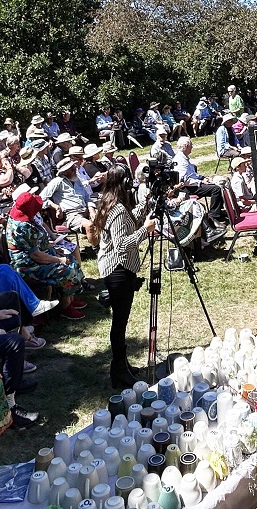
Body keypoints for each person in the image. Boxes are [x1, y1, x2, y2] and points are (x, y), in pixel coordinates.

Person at [89, 165, 157, 387]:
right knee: (119, 323)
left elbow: (129, 220)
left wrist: (146, 204)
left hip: (118, 269)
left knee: (121, 322)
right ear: (124, 183)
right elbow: (122, 245)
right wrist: (145, 230)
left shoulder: (114, 205)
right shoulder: (116, 210)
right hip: (117, 270)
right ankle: (118, 370)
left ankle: (122, 364)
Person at [6, 190, 87, 319]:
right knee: (66, 270)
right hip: (28, 265)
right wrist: (58, 259)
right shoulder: (22, 226)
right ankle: (65, 306)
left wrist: (52, 248)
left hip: (38, 254)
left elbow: (34, 244)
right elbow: (36, 255)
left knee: (71, 259)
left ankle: (71, 298)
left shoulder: (20, 217)